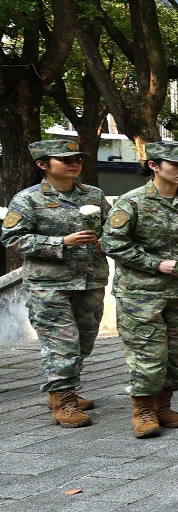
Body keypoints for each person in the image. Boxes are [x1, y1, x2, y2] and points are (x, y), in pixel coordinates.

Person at [103, 141, 178, 438]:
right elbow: (112, 243)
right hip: (141, 294)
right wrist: (156, 264)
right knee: (147, 353)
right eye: (175, 164)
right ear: (153, 165)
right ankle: (143, 410)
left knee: (176, 354)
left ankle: (163, 405)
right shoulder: (132, 202)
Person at [2, 139, 110, 428]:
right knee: (62, 343)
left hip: (90, 280)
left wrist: (106, 241)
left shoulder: (94, 195)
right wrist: (61, 242)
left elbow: (114, 229)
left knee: (84, 341)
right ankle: (64, 402)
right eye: (65, 159)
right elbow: (12, 239)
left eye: (77, 159)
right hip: (49, 284)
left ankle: (61, 389)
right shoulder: (28, 199)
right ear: (42, 164)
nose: (74, 164)